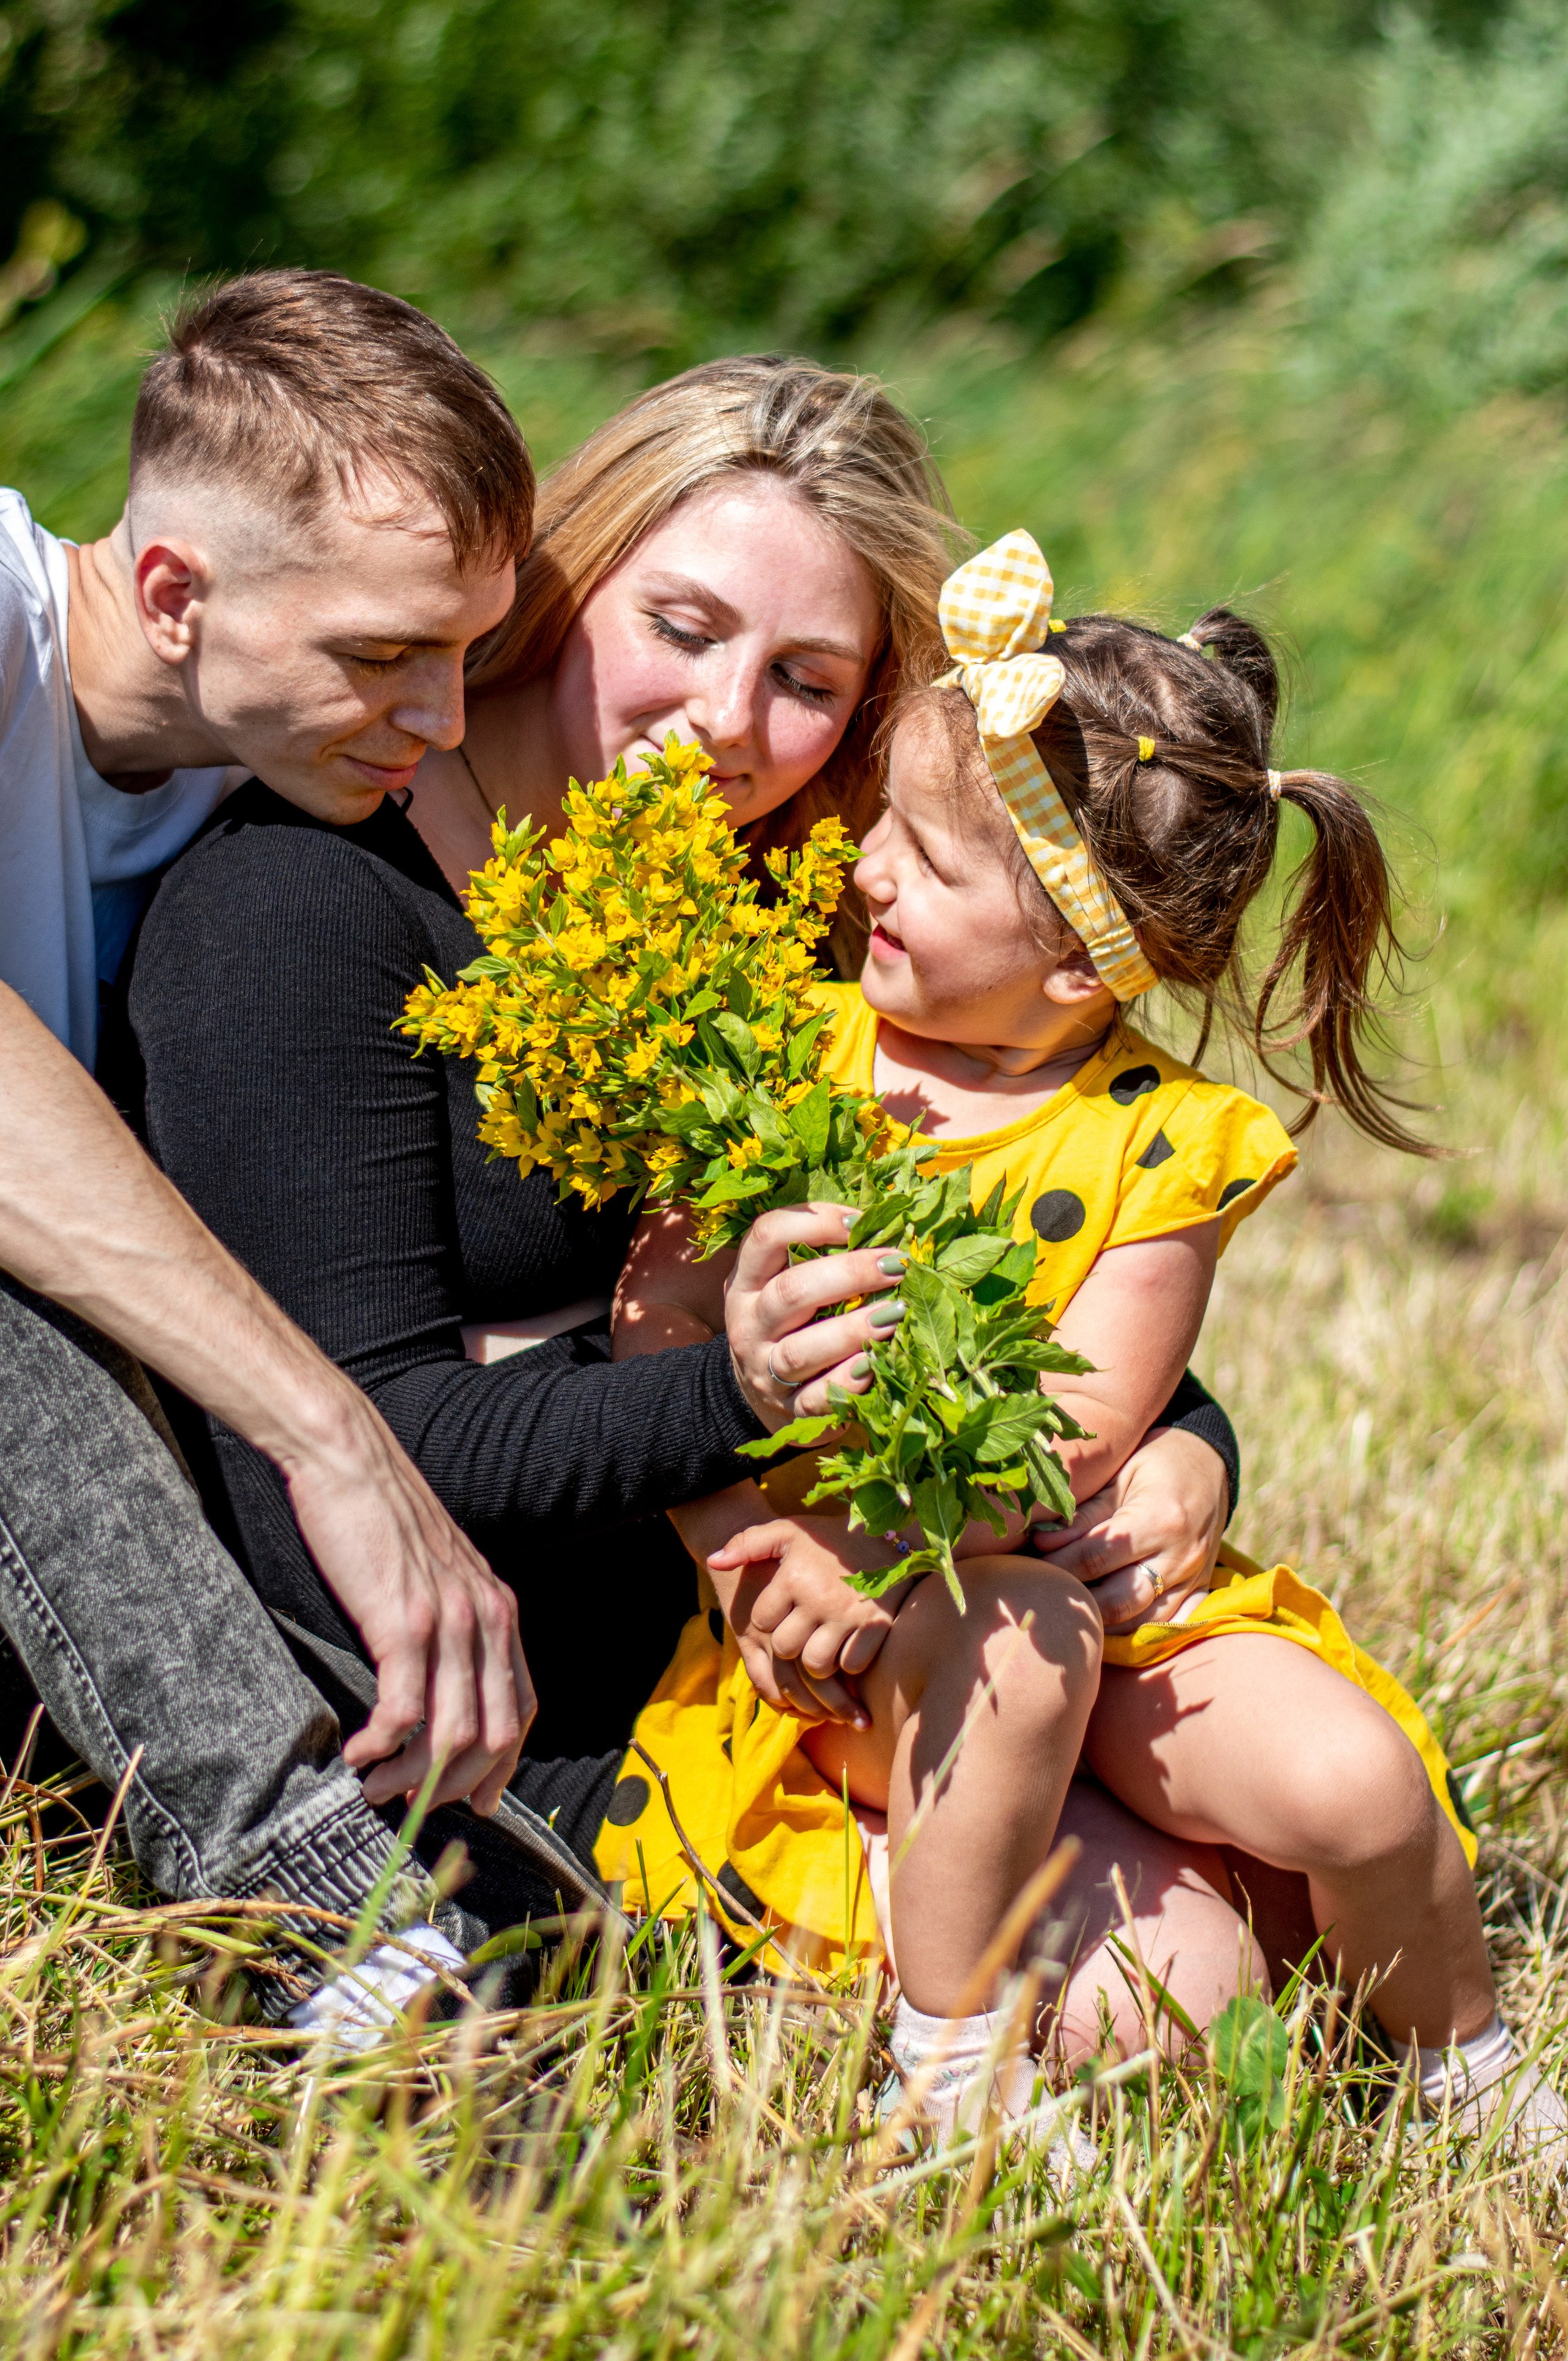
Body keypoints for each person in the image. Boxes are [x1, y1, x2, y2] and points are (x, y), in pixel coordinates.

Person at [125, 364, 1258, 2048]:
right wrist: (734, 1418)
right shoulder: (300, 905)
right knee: (1170, 1992)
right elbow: (357, 1451)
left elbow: (1013, 1236)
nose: (726, 722)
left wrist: (1186, 1445)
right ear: (561, 576)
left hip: (820, 1648)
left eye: (804, 679)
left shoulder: (791, 906)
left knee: (1277, 1895)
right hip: (516, 1721)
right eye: (678, 622)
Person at [607, 527, 1563, 2154]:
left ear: (1074, 958)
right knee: (1029, 1648)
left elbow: (1068, 1438)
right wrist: (764, 1537)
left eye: (924, 855)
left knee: (1349, 1778)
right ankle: (950, 2062)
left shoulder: (1158, 1147)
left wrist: (988, 1516)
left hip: (1073, 1572)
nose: (865, 872)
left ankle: (1464, 2066)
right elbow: (660, 1310)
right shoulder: (787, 1047)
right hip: (884, 1631)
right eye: (887, 832)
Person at [0, 268, 544, 2025]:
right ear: (172, 590)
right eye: (381, 654)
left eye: (463, 651)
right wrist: (329, 1429)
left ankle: (502, 1882)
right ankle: (333, 1921)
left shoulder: (269, 777)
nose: (441, 713)